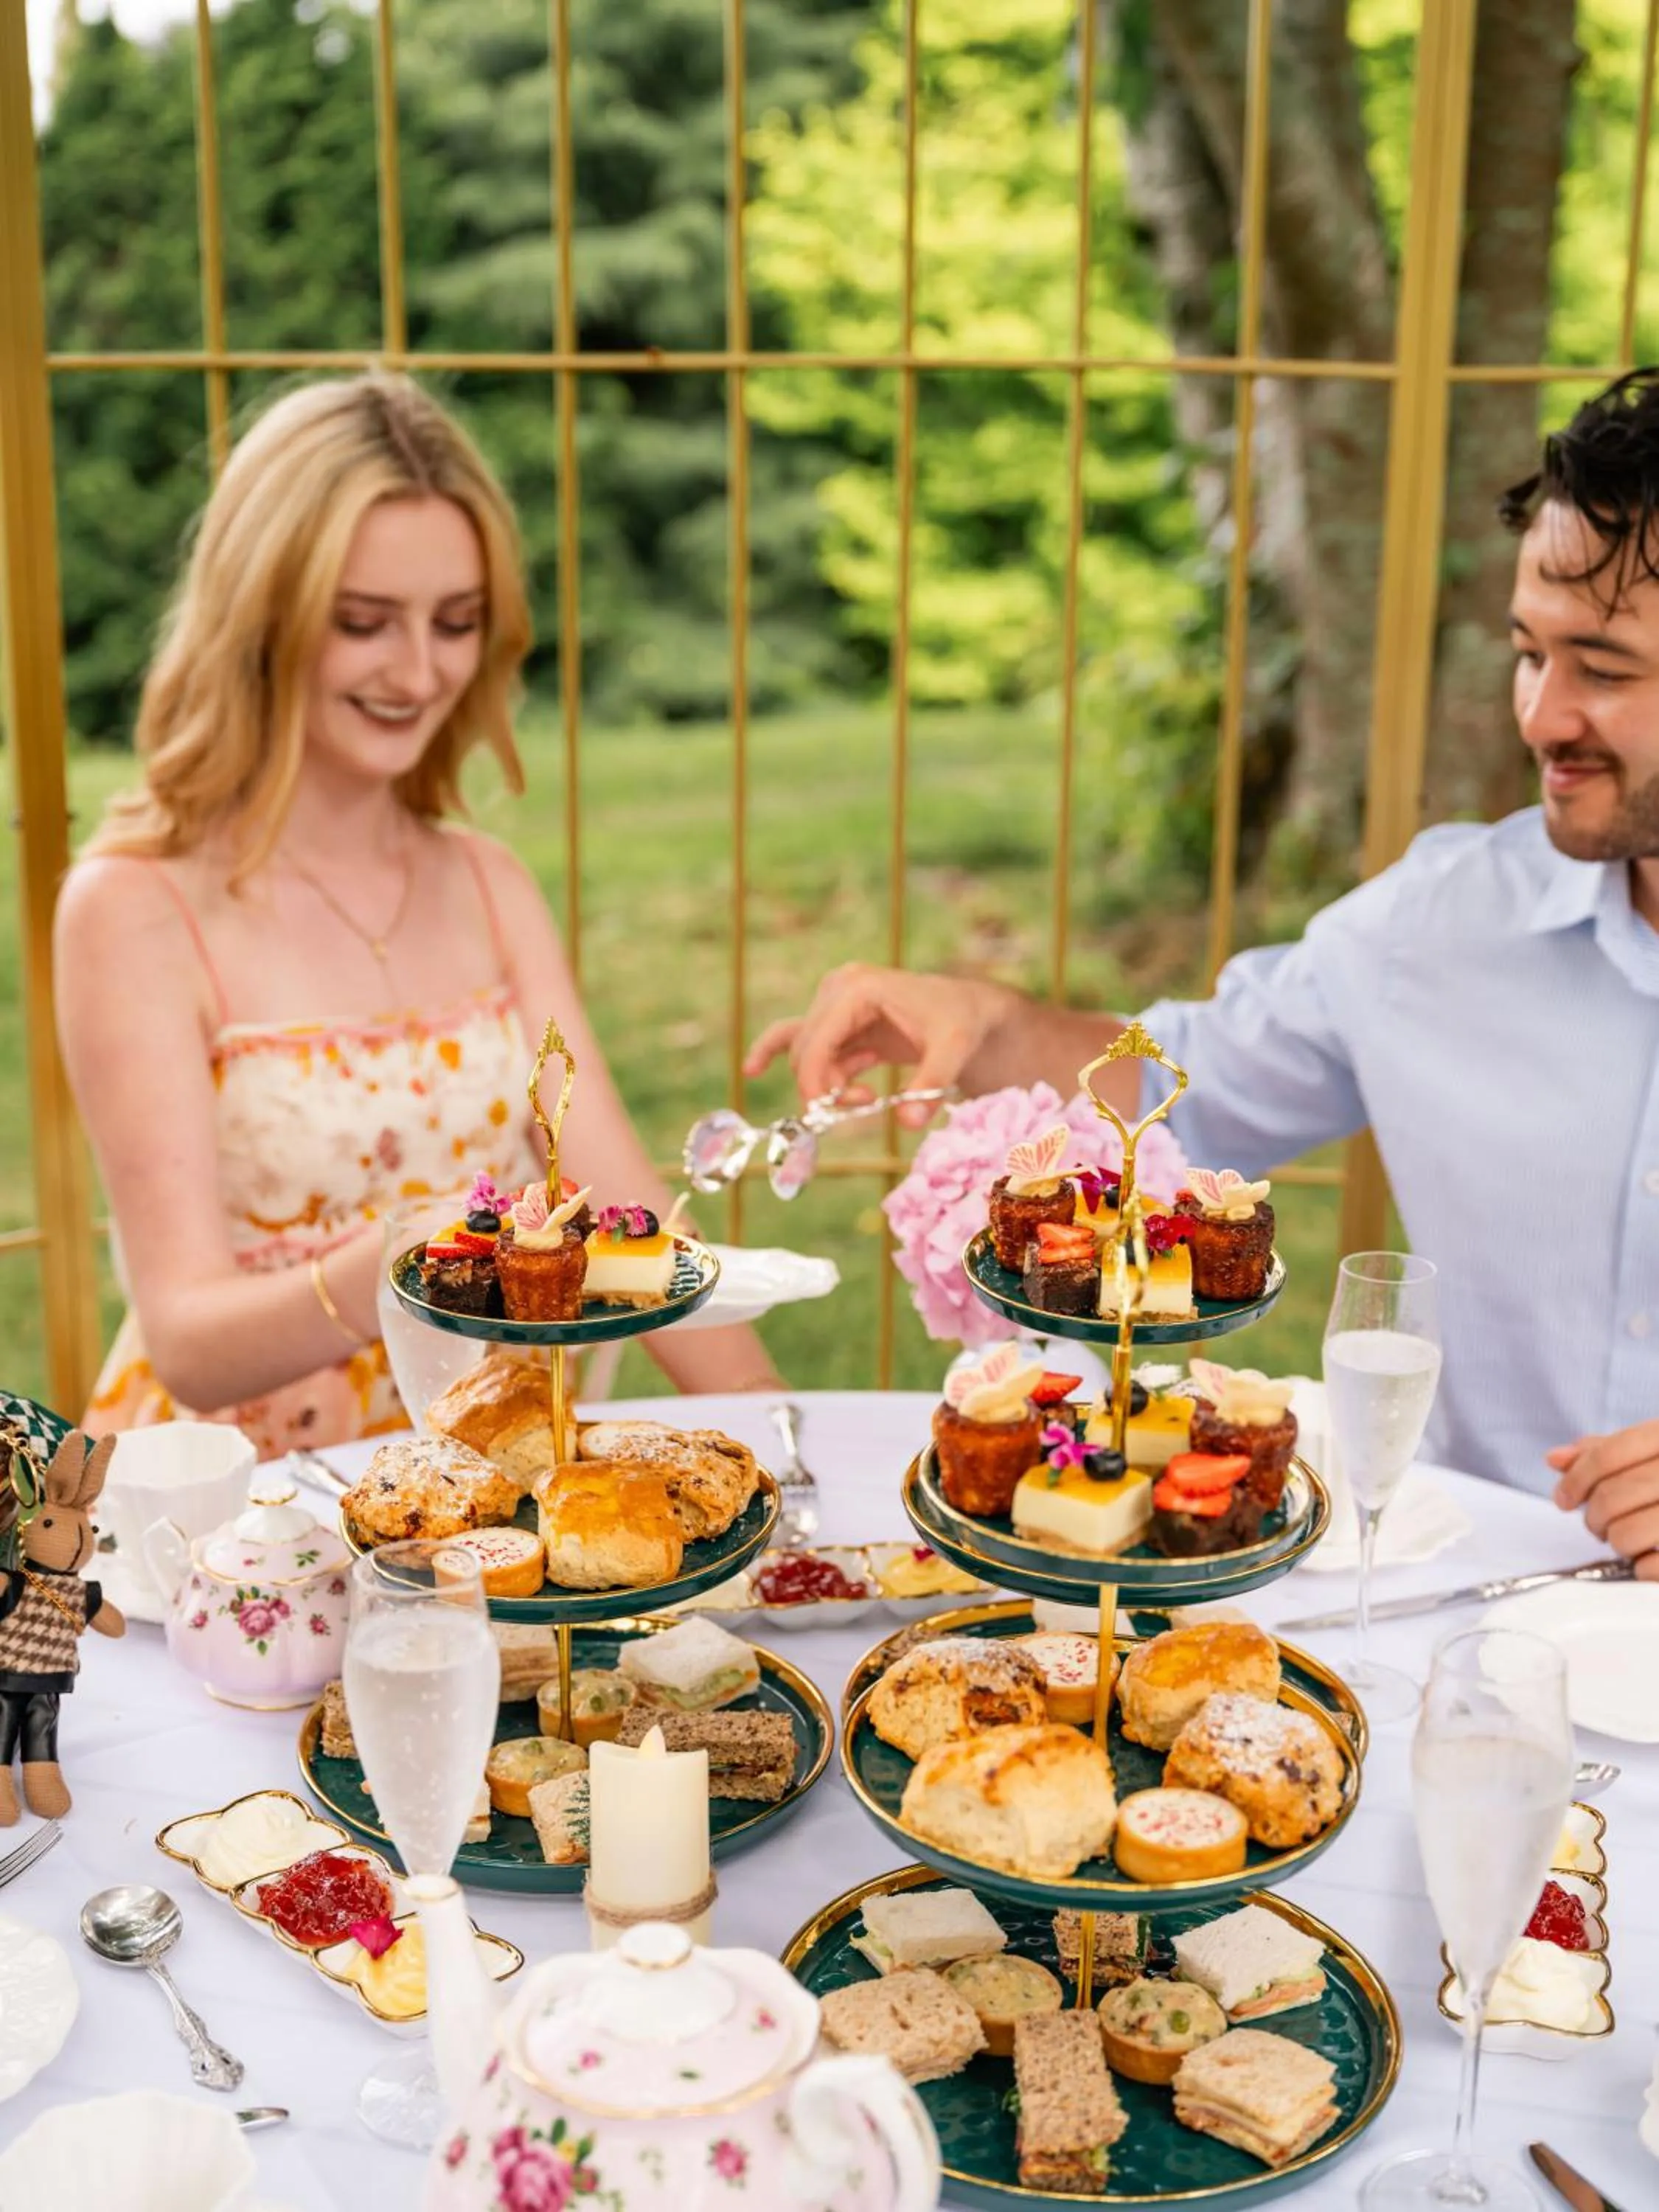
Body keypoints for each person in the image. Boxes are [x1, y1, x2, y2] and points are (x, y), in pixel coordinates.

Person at [747, 366, 1659, 1571]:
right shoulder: (1436, 925)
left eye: (1603, 668)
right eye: (1527, 653)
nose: (1539, 715)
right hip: (1474, 1609)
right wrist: (983, 1019)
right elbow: (1174, 1083)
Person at [56, 373, 781, 1458]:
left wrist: (782, 1433)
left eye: (456, 622)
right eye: (363, 622)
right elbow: (188, 1343)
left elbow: (632, 1211)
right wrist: (413, 1259)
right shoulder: (134, 907)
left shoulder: (490, 885)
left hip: (493, 1482)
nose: (419, 670)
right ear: (262, 615)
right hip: (248, 1502)